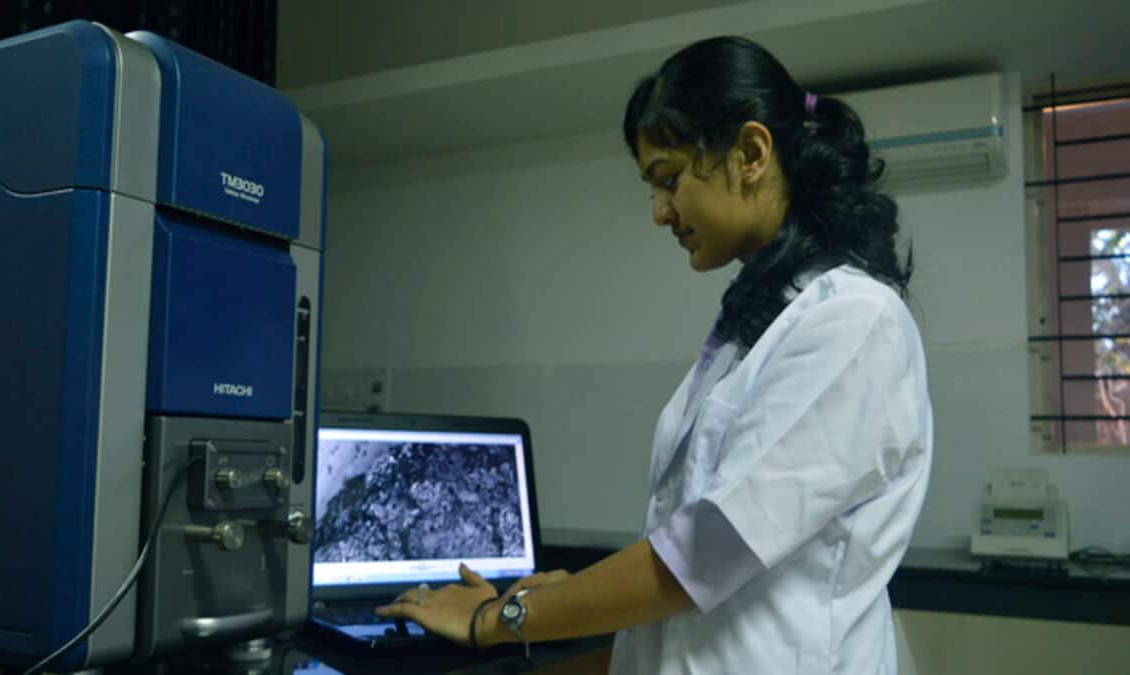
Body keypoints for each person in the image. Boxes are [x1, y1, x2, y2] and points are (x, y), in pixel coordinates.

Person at [377, 35, 932, 674]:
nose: (660, 213)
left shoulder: (853, 320)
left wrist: (497, 621)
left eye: (669, 179)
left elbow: (705, 554)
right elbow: (699, 570)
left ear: (751, 154)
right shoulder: (754, 324)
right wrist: (567, 598)